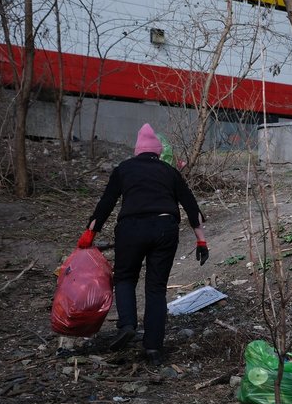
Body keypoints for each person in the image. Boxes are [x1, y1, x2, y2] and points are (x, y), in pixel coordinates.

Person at [77, 123, 210, 366]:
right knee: (156, 289)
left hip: (131, 230)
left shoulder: (124, 169)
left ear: (137, 150)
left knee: (125, 278)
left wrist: (90, 234)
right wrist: (201, 241)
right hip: (164, 229)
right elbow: (193, 209)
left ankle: (127, 324)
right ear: (158, 152)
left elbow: (105, 204)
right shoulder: (170, 172)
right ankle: (153, 349)